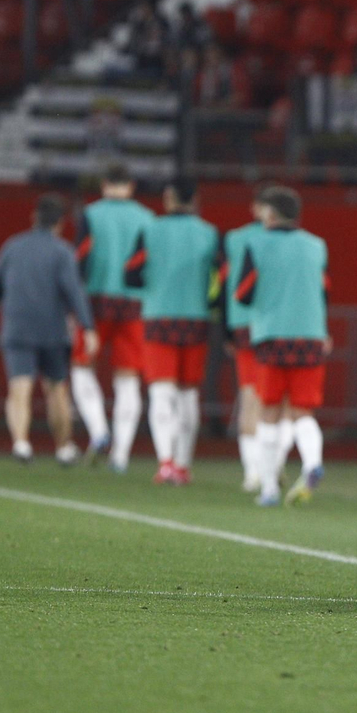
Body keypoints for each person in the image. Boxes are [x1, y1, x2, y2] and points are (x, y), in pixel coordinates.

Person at [237, 187, 331, 507]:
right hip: (311, 337)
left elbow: (243, 293)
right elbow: (324, 292)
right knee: (303, 411)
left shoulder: (256, 243)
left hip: (270, 337)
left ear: (270, 214)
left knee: (269, 412)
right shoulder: (317, 246)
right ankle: (312, 461)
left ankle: (268, 490)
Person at [0, 192, 97, 466]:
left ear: (34, 217)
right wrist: (88, 327)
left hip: (17, 327)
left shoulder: (12, 246)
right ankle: (62, 448)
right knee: (57, 389)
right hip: (52, 329)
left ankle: (21, 444)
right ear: (60, 223)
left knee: (19, 388)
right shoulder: (63, 251)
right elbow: (74, 293)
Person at [126, 178, 220, 486]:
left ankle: (165, 462)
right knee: (188, 395)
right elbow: (219, 280)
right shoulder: (209, 233)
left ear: (168, 198)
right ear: (194, 200)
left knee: (160, 392)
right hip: (196, 320)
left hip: (158, 319)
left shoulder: (151, 229)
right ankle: (183, 465)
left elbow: (131, 272)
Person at [71, 165, 155, 471]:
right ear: (131, 186)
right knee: (129, 379)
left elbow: (79, 259)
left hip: (96, 302)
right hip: (136, 306)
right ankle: (121, 454)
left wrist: (73, 306)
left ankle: (98, 430)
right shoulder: (147, 218)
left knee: (82, 366)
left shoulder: (91, 214)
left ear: (105, 184)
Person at [223, 189, 268, 493]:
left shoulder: (235, 239)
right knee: (277, 403)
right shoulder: (302, 243)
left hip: (243, 326)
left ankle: (253, 472)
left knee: (250, 395)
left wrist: (228, 329)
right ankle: (269, 470)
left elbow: (228, 285)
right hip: (280, 329)